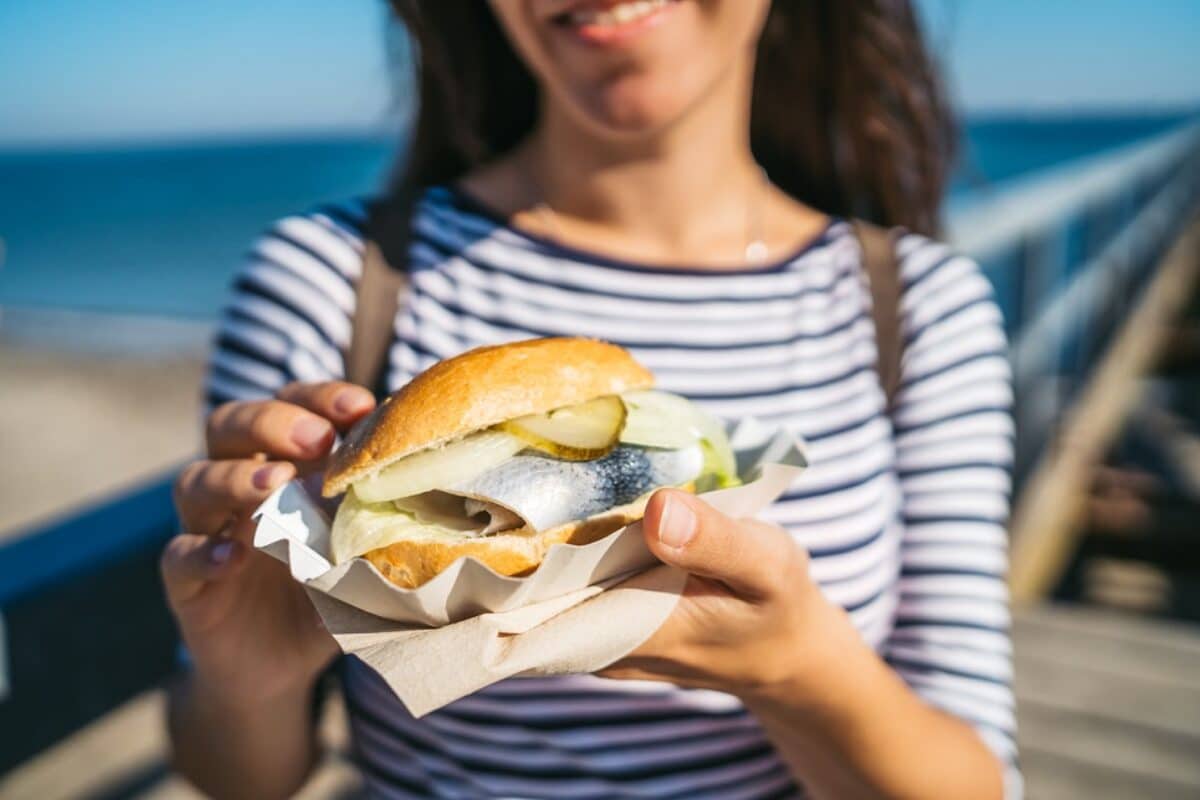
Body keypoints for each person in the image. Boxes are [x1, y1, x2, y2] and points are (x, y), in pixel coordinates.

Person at [163, 2, 1018, 798]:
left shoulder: (915, 306)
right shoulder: (330, 277)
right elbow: (235, 780)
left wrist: (798, 671)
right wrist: (247, 683)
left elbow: (978, 778)